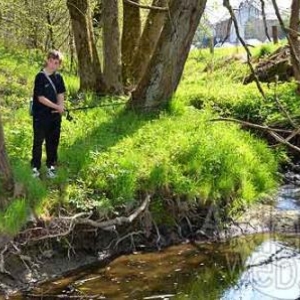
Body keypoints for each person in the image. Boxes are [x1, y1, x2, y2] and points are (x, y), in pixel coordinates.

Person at [31, 50, 66, 178]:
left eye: (56, 63)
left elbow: (60, 93)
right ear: (47, 60)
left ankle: (51, 166)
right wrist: (57, 106)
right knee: (38, 142)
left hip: (55, 117)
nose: (53, 64)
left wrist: (60, 107)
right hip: (40, 116)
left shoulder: (59, 77)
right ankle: (35, 167)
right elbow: (40, 98)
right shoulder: (40, 77)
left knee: (53, 142)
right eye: (51, 61)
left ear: (58, 65)